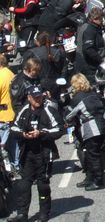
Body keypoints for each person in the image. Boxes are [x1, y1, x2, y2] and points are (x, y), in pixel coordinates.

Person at [8, 86, 62, 222]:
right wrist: (24, 134)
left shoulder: (49, 110)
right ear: (29, 97)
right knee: (24, 184)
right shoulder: (24, 110)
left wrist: (42, 133)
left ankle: (44, 213)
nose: (38, 99)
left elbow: (59, 129)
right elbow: (13, 128)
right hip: (27, 154)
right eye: (35, 97)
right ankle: (22, 214)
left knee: (42, 184)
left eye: (40, 96)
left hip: (44, 153)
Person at [63, 73, 105, 190]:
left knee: (93, 155)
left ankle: (98, 181)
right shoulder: (93, 93)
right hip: (102, 125)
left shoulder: (77, 98)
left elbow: (68, 114)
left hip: (91, 129)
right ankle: (89, 178)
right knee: (90, 153)